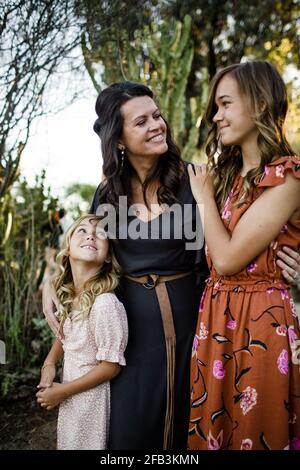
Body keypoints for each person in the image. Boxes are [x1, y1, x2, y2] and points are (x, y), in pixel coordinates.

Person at [43, 81, 300, 451]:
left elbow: (243, 237)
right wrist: (52, 278)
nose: (156, 125)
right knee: (129, 433)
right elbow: (85, 247)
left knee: (187, 427)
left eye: (157, 116)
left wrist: (289, 260)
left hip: (195, 324)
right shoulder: (108, 193)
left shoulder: (195, 182)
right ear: (118, 139)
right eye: (141, 121)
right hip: (132, 334)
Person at [188, 60, 300, 450]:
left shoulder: (287, 177)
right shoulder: (230, 179)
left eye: (225, 104)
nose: (216, 117)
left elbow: (229, 259)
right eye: (214, 108)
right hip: (218, 317)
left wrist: (203, 195)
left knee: (255, 430)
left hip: (260, 322)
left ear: (260, 104)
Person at [36, 215, 128, 450]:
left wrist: (61, 392)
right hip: (71, 400)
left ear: (108, 256)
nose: (91, 235)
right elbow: (67, 333)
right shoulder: (74, 298)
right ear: (67, 250)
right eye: (82, 231)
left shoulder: (105, 304)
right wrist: (49, 362)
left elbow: (111, 366)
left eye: (100, 234)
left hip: (89, 403)